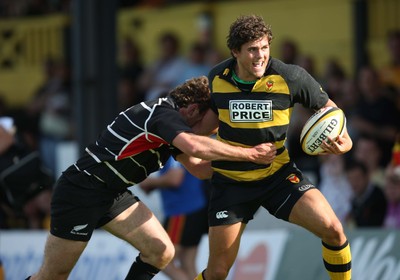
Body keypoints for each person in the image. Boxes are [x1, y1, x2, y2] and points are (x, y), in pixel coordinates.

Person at [26, 76, 276, 280]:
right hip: (81, 190)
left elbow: (200, 168)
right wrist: (249, 153)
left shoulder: (174, 127)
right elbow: (195, 148)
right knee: (53, 276)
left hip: (113, 194)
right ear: (191, 110)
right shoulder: (162, 116)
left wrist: (245, 160)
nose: (211, 133)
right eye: (210, 127)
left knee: (161, 252)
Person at [194, 15, 353, 280]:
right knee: (217, 272)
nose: (260, 56)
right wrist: (189, 156)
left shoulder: (290, 76)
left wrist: (344, 141)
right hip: (231, 184)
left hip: (278, 177)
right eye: (252, 49)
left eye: (265, 47)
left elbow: (331, 111)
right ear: (235, 52)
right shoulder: (216, 78)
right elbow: (203, 129)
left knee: (334, 230)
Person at [140, 156, 209, 280]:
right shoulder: (186, 142)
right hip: (196, 208)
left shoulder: (174, 147)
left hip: (181, 211)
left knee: (161, 259)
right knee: (187, 262)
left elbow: (175, 179)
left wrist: (150, 183)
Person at [345, 159, 387, 227]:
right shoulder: (354, 200)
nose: (354, 183)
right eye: (350, 179)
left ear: (366, 176)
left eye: (357, 178)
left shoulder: (379, 196)